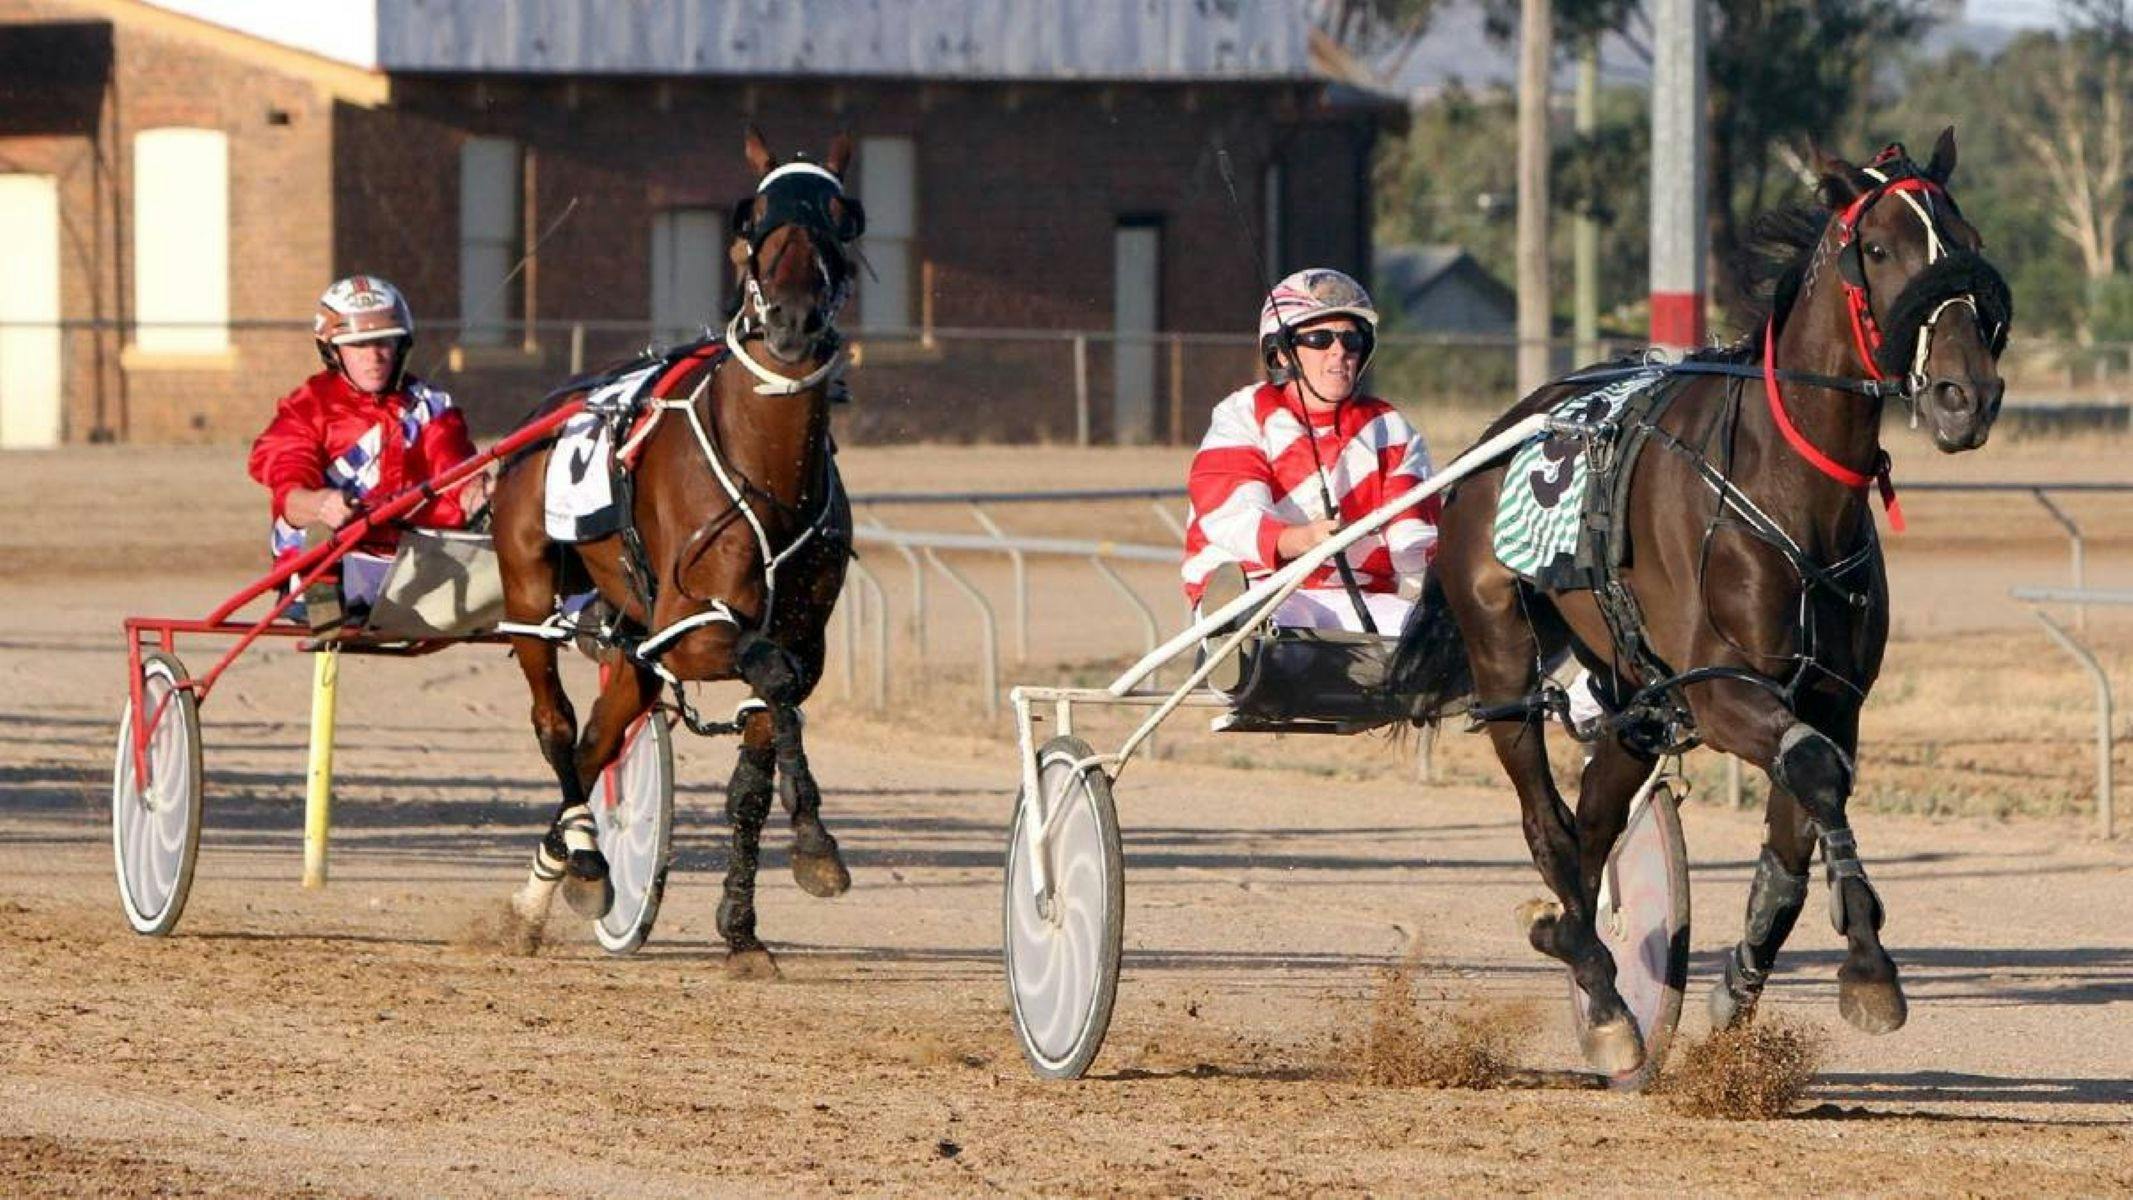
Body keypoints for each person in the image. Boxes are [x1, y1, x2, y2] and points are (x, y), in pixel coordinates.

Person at [1182, 267, 1437, 634]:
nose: (1339, 352)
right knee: (1275, 626)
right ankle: (1235, 640)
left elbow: (1414, 541)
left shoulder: (1391, 428)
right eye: (1319, 339)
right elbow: (1232, 515)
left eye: (1351, 340)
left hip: (1360, 598)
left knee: (1425, 634)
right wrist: (1303, 538)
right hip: (1266, 587)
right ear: (1283, 353)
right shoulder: (1243, 414)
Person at [247, 275, 489, 629]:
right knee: (315, 532)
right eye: (359, 345)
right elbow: (289, 494)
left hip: (413, 562)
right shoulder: (307, 408)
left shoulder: (431, 406)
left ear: (401, 346)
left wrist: (479, 494)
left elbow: (455, 473)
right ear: (333, 351)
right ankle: (319, 595)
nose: (374, 357)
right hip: (333, 556)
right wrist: (322, 503)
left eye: (384, 344)